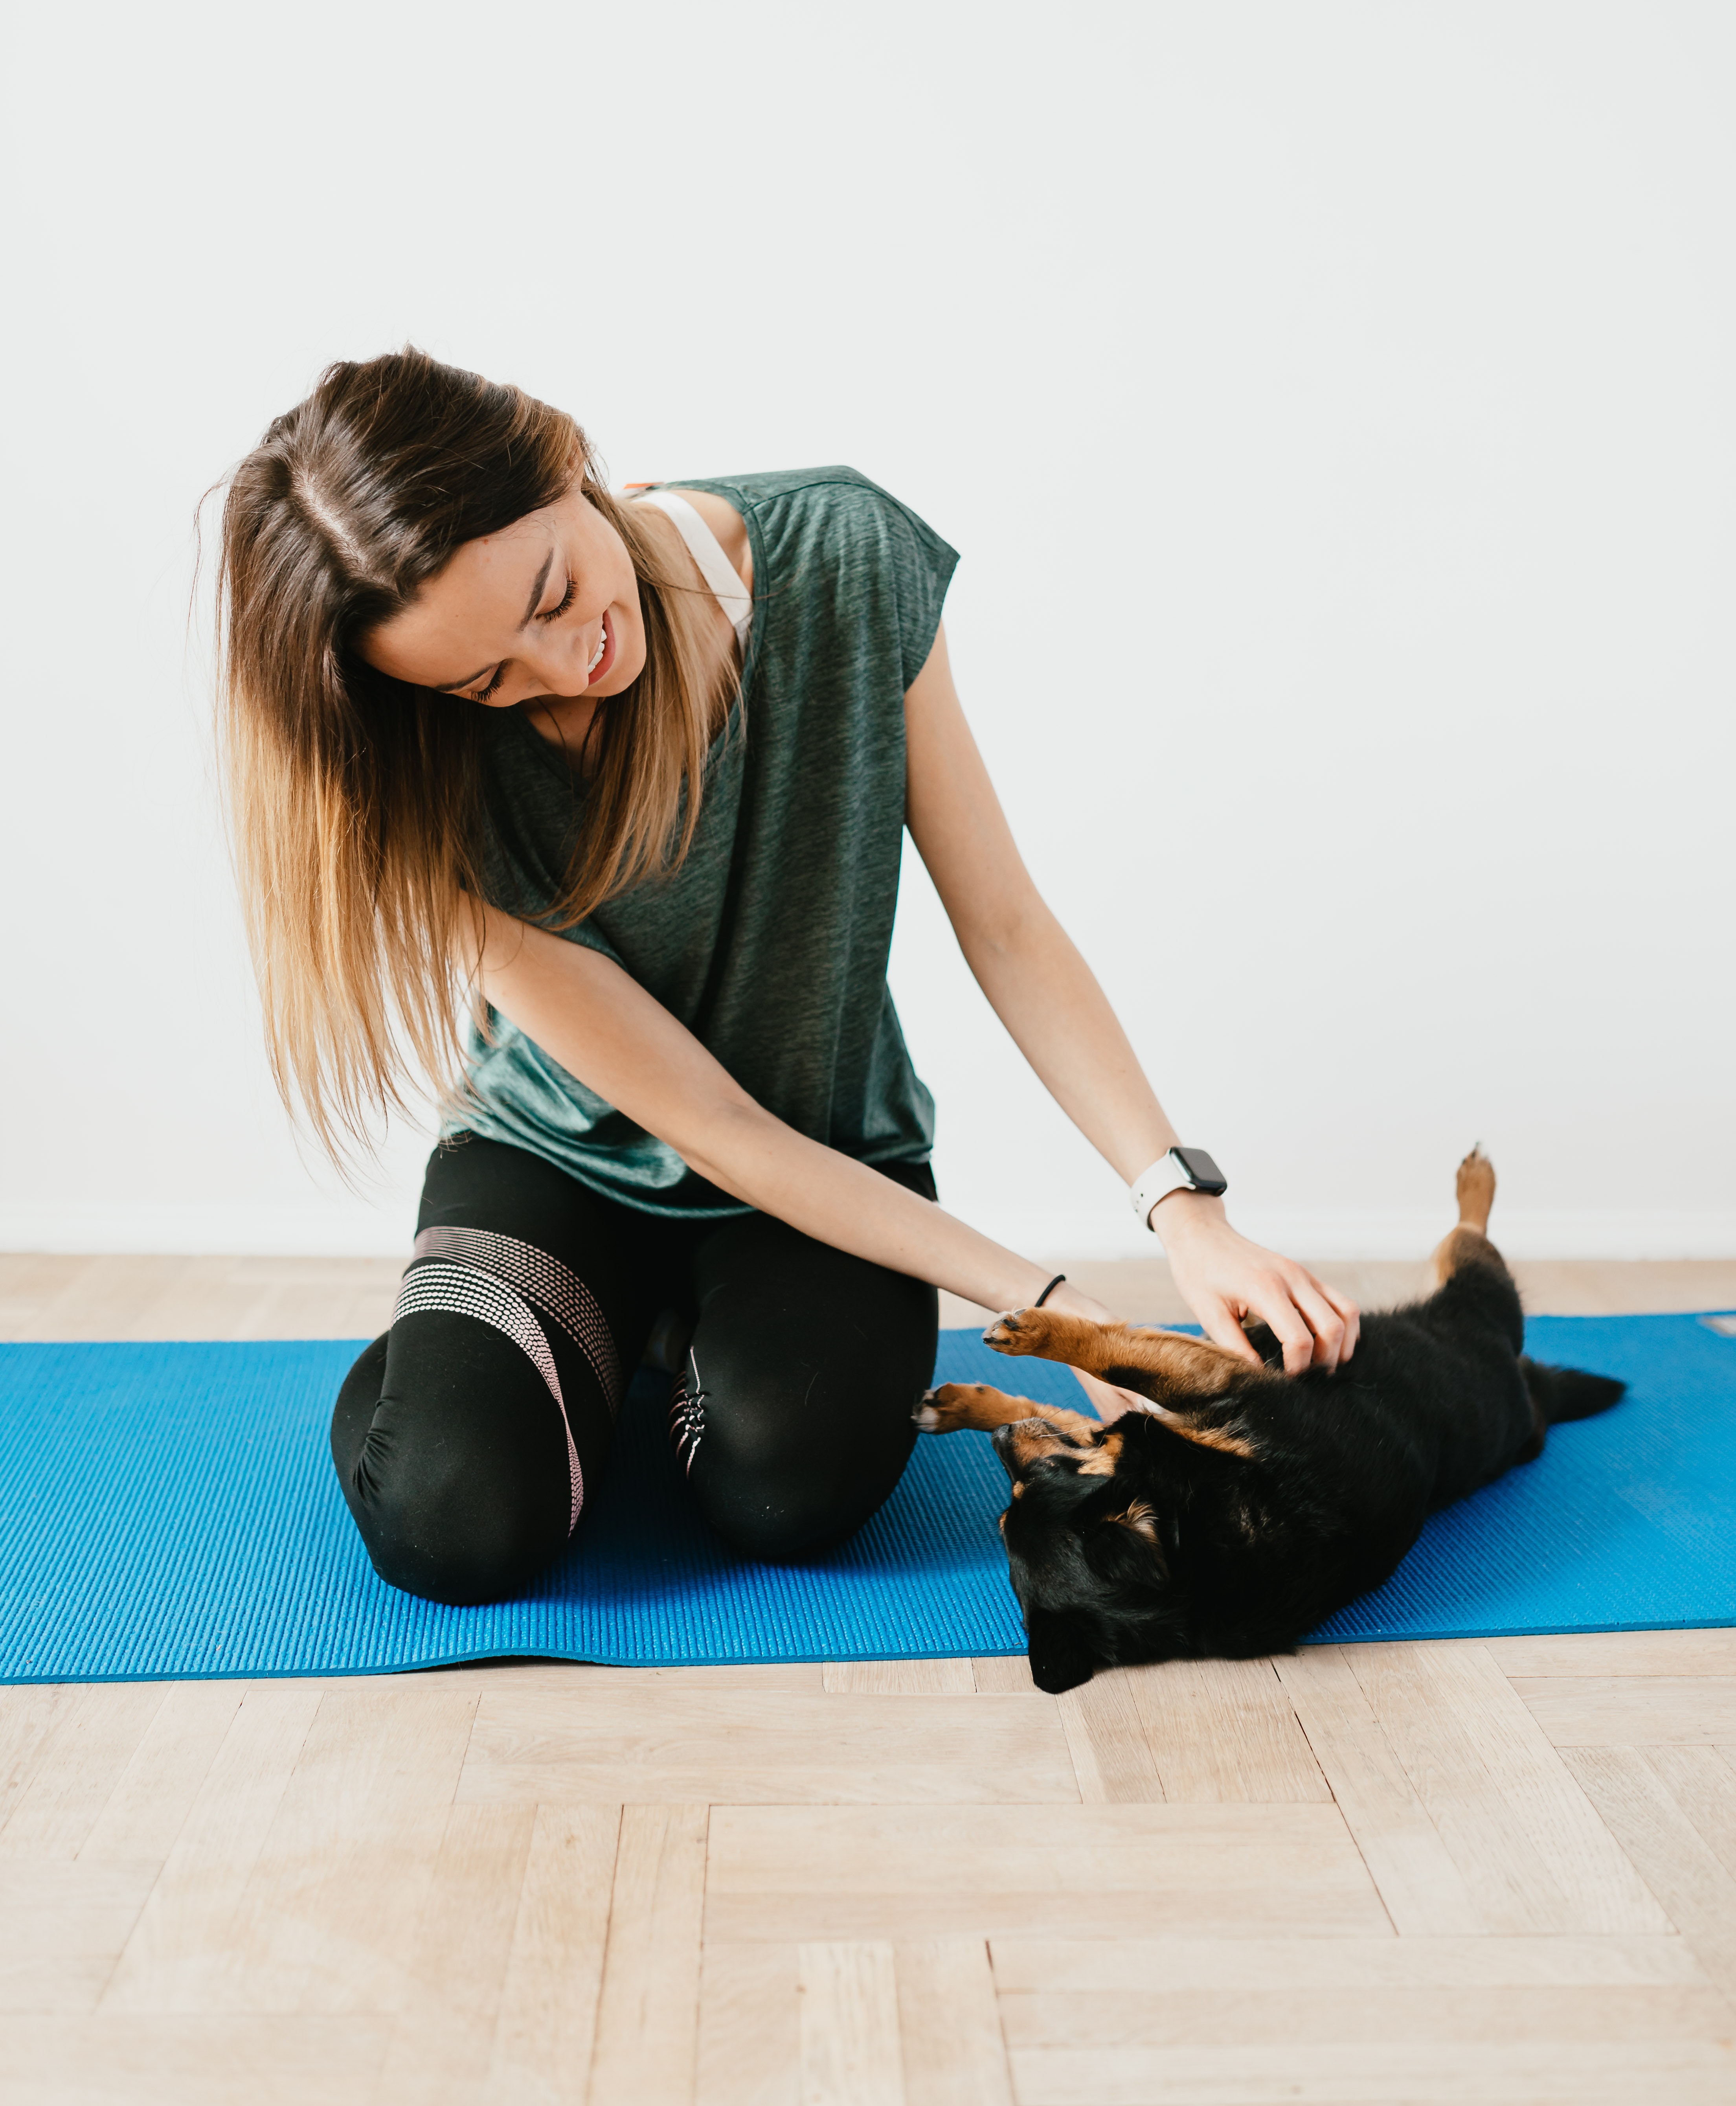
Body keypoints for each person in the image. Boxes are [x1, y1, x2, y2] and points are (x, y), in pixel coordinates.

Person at [213, 347, 1358, 1604]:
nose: (562, 665)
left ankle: (603, 1348)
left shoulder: (844, 558)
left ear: (561, 454)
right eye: (485, 679)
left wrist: (1179, 1212)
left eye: (551, 592)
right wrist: (1070, 1313)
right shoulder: (411, 770)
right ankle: (498, 1342)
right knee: (453, 1520)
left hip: (823, 1160)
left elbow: (1009, 924)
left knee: (787, 1491)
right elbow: (710, 1123)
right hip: (562, 1163)